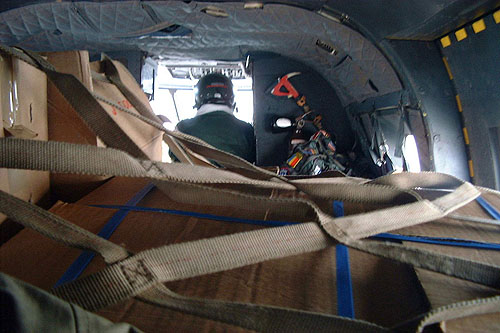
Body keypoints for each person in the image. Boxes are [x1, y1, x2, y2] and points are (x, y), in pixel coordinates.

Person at [173, 73, 256, 163]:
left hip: (193, 177)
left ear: (198, 97)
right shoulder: (247, 130)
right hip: (235, 177)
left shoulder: (182, 128)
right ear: (232, 97)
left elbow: (174, 156)